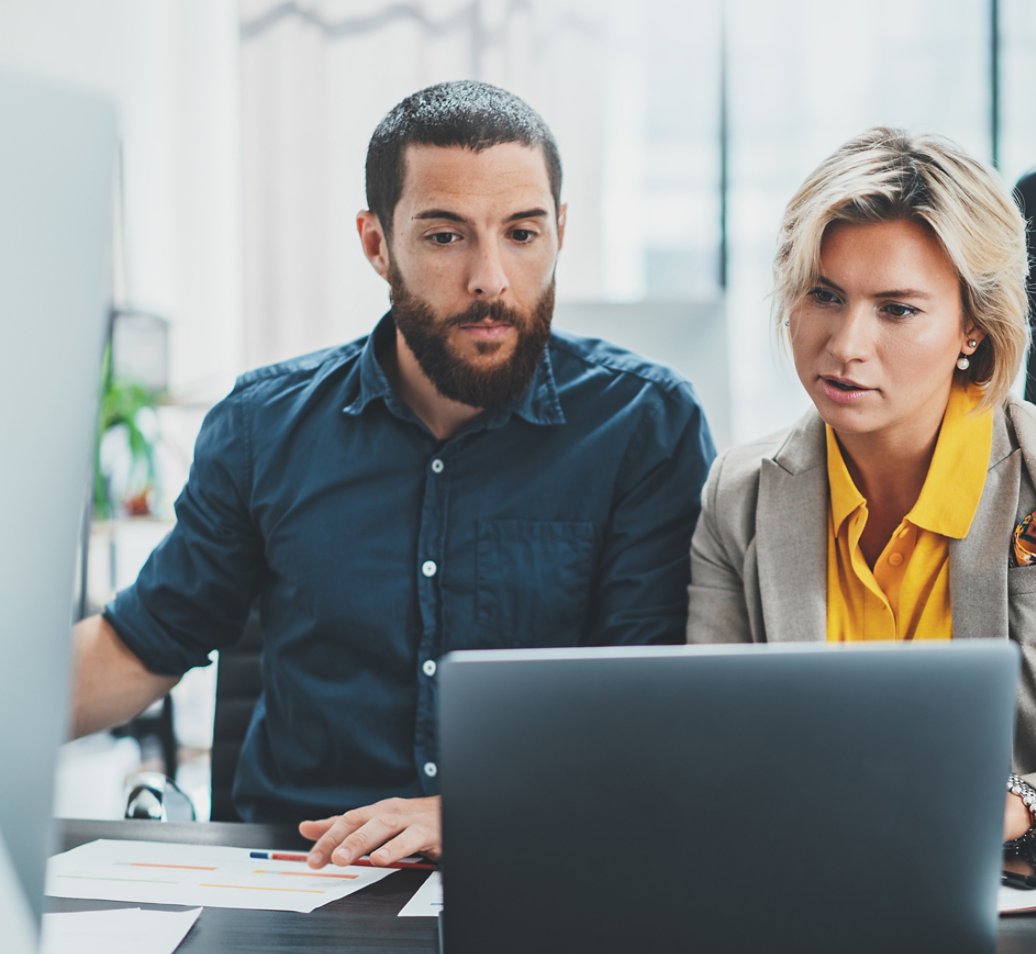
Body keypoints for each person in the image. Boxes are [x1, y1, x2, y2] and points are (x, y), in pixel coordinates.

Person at [71, 81, 714, 867]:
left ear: (561, 232)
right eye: (446, 237)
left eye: (521, 233)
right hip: (298, 880)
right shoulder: (262, 425)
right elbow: (138, 648)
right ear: (377, 244)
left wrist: (473, 811)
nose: (491, 280)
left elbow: (644, 715)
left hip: (540, 865)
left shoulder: (645, 427)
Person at [687, 128, 1036, 852]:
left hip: (1026, 905)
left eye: (897, 308)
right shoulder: (741, 495)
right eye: (825, 294)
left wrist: (1012, 809)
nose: (846, 343)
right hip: (815, 887)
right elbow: (714, 761)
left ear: (973, 328)